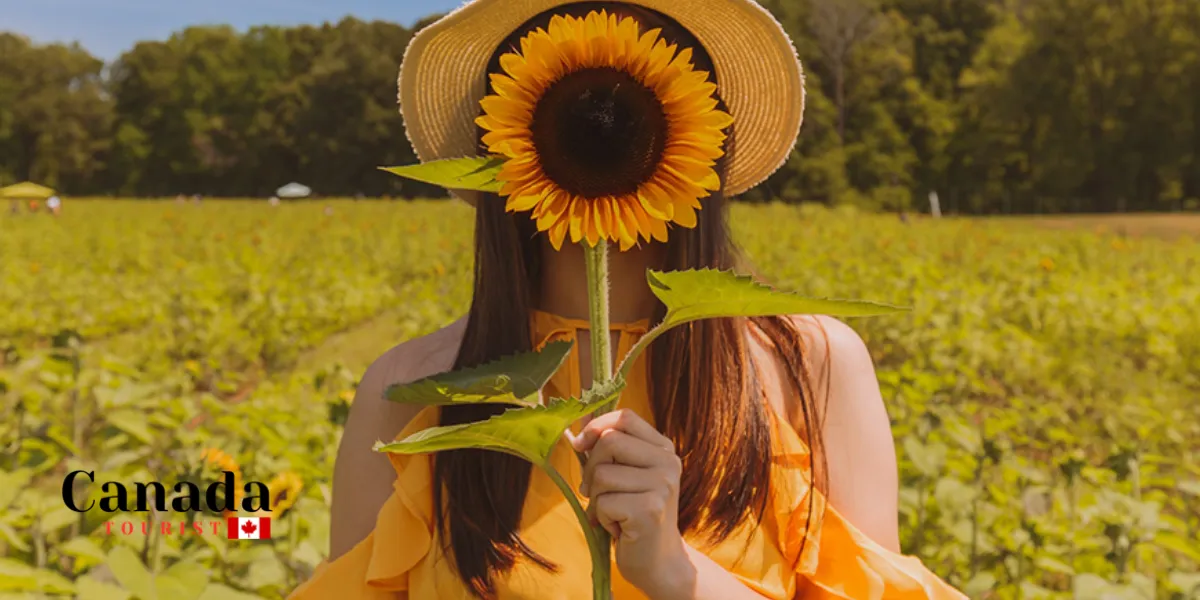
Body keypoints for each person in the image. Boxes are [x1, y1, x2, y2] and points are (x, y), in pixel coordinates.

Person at [292, 2, 966, 599]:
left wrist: (677, 575)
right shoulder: (409, 392)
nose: (603, 117)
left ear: (700, 137)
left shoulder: (806, 368)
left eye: (632, 90)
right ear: (501, 142)